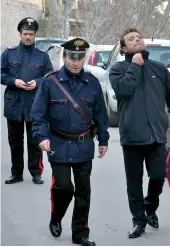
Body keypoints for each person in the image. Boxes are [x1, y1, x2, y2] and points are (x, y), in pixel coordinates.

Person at [30, 38, 109, 246]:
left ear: (84, 58)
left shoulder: (92, 83)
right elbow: (38, 115)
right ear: (64, 57)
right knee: (64, 186)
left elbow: (101, 115)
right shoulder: (50, 81)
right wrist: (42, 137)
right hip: (58, 144)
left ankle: (80, 232)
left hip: (83, 144)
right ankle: (56, 217)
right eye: (72, 57)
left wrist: (103, 139)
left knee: (83, 190)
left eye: (80, 58)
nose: (75, 62)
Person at [109, 28, 170, 238]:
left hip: (157, 135)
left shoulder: (159, 69)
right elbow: (123, 89)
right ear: (124, 48)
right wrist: (134, 67)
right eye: (131, 39)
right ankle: (138, 221)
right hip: (132, 136)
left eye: (139, 37)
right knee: (133, 183)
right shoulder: (118, 69)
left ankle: (150, 208)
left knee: (158, 176)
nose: (137, 40)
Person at [1, 17, 53, 185]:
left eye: (31, 34)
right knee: (15, 141)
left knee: (35, 141)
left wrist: (37, 82)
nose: (28, 37)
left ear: (35, 35)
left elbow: (49, 76)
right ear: (20, 34)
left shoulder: (42, 56)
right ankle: (16, 173)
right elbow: (1, 74)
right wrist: (13, 81)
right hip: (14, 103)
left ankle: (36, 172)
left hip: (34, 104)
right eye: (25, 34)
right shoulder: (9, 53)